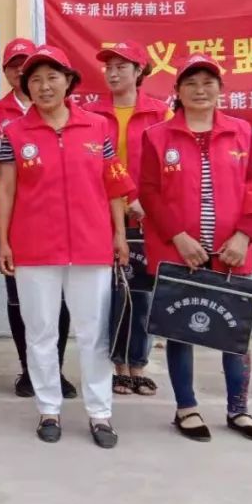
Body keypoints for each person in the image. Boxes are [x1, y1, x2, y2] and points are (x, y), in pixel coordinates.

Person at [0, 45, 132, 448]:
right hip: (35, 249)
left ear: (69, 81)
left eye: (52, 77)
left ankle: (100, 414)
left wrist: (119, 234)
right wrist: (3, 239)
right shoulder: (14, 133)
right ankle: (49, 408)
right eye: (34, 79)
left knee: (95, 335)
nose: (43, 86)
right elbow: (5, 189)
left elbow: (115, 185)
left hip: (92, 247)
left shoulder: (98, 127)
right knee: (41, 333)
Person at [139, 53, 252, 443]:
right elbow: (149, 191)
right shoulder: (158, 136)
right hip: (180, 251)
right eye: (191, 84)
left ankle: (238, 409)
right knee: (180, 330)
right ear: (177, 92)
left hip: (231, 252)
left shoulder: (241, 132)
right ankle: (186, 408)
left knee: (235, 332)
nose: (200, 90)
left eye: (208, 83)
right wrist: (178, 236)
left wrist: (244, 234)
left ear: (220, 90)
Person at [0, 38, 75, 400]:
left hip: (59, 217)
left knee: (62, 299)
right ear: (7, 72)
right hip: (18, 216)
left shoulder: (66, 107)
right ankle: (28, 369)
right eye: (14, 66)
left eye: (28, 65)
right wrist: (25, 175)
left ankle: (56, 369)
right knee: (22, 300)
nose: (22, 72)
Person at [85, 41, 171, 397]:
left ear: (140, 72)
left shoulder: (160, 113)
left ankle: (138, 363)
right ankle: (117, 365)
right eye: (109, 66)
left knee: (144, 295)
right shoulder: (92, 114)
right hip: (103, 215)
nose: (114, 72)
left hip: (146, 217)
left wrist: (146, 202)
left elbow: (167, 167)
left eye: (123, 66)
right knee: (110, 295)